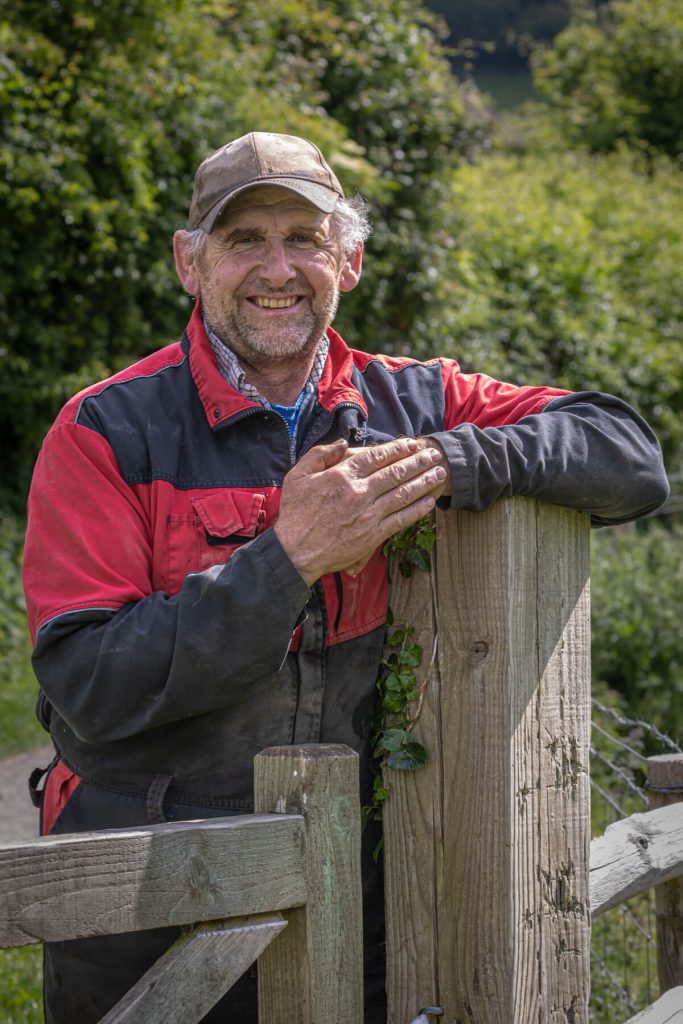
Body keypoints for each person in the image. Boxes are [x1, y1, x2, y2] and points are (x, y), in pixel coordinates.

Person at [23, 131, 669, 1023]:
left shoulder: (413, 402)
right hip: (148, 896)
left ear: (349, 261)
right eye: (244, 240)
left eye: (305, 238)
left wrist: (445, 461)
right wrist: (287, 559)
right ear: (188, 263)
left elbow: (626, 452)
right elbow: (90, 686)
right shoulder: (104, 430)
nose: (277, 268)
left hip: (361, 897)